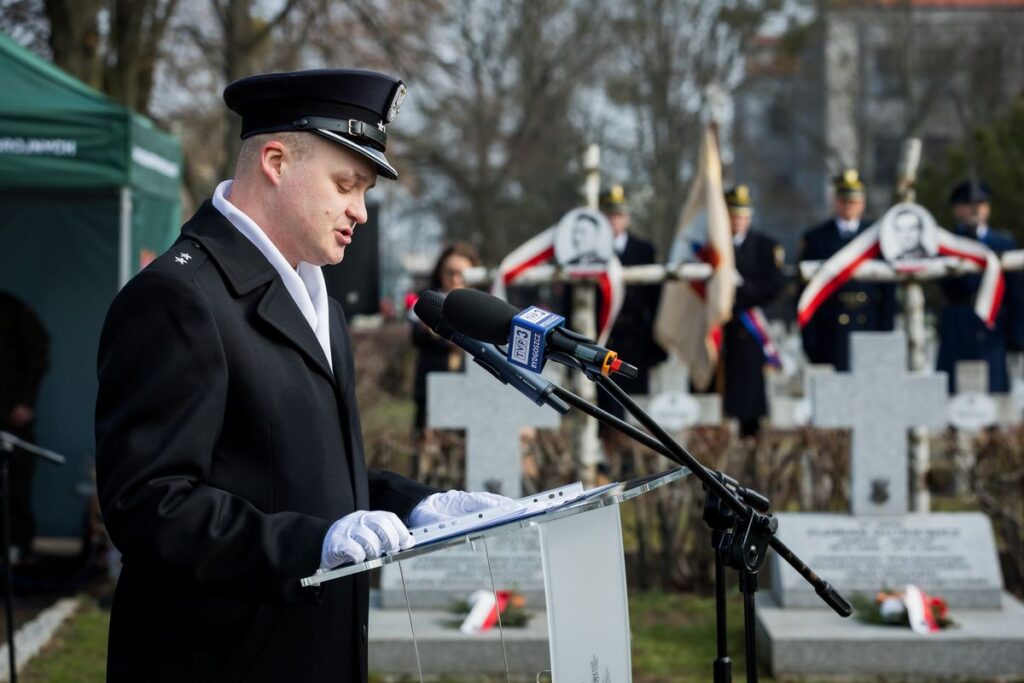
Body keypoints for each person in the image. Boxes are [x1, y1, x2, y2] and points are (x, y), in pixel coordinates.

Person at [95, 69, 509, 683]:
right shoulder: (179, 297)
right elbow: (149, 503)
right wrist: (309, 545)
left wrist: (417, 506)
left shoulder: (321, 304)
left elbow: (304, 473)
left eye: (364, 191)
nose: (360, 211)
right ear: (275, 161)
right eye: (346, 185)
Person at [798, 169, 895, 371]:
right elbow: (805, 292)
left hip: (867, 324)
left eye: (854, 201)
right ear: (836, 201)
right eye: (845, 201)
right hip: (830, 328)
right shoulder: (816, 238)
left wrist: (885, 332)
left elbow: (887, 291)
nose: (849, 205)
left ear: (862, 202)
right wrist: (810, 338)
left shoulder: (876, 238)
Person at [936, 180, 1024, 393]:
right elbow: (944, 284)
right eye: (968, 203)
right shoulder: (947, 242)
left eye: (981, 203)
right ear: (957, 209)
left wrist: (1017, 337)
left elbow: (1015, 294)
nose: (976, 209)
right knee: (953, 386)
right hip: (959, 320)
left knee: (993, 386)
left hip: (992, 323)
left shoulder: (1003, 243)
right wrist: (965, 241)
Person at [595, 185, 667, 422]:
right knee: (604, 405)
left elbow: (656, 300)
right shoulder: (590, 251)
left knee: (636, 406)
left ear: (627, 218)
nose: (614, 221)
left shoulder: (644, 250)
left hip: (636, 339)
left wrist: (657, 345)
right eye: (609, 215)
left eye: (618, 215)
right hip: (603, 337)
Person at [720, 186, 784, 438]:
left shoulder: (765, 246)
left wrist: (740, 292)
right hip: (721, 329)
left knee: (749, 397)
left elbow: (774, 286)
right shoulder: (713, 246)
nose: (737, 220)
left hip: (749, 329)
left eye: (742, 215)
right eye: (733, 215)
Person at [411, 242, 480, 434]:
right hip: (432, 385)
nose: (455, 279)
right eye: (450, 272)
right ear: (440, 271)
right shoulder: (427, 299)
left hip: (470, 390)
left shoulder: (480, 303)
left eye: (462, 274)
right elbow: (416, 335)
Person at [0, 291, 49, 563]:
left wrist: (26, 402)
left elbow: (38, 351)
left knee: (14, 485)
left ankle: (19, 551)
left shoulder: (11, 309)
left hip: (11, 418)